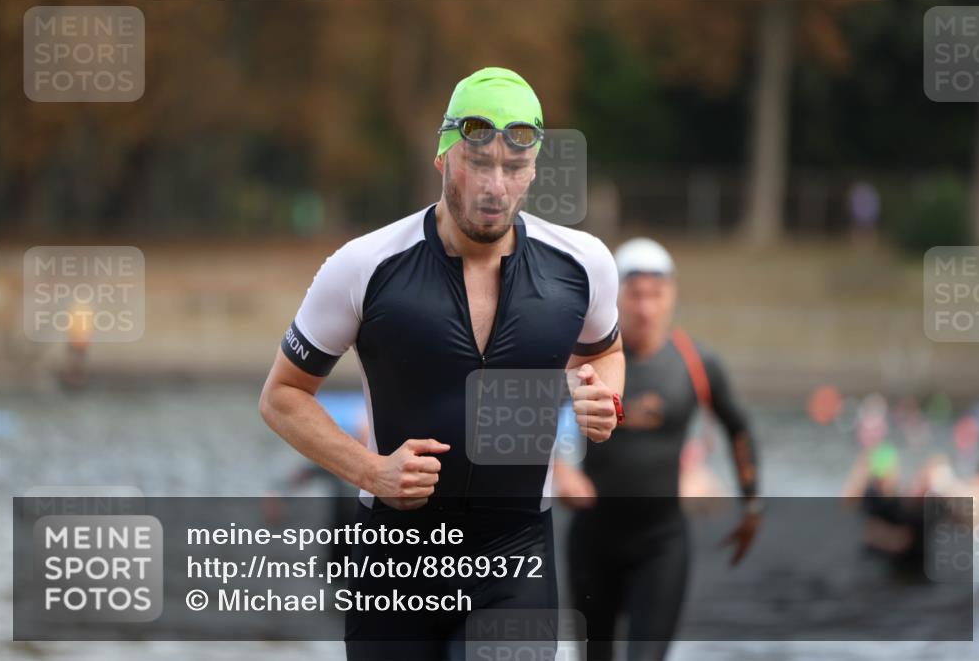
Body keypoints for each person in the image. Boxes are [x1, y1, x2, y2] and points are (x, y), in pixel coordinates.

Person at [259, 67, 626, 660]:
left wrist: (605, 400)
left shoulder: (582, 265)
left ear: (533, 171)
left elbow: (605, 352)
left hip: (514, 558)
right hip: (393, 560)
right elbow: (282, 396)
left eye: (512, 168)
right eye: (478, 163)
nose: (495, 186)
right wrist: (370, 471)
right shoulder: (365, 266)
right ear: (442, 159)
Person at [553, 237, 761, 661]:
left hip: (662, 544)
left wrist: (752, 505)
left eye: (656, 294)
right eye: (635, 294)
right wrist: (558, 471)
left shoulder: (696, 363)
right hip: (593, 541)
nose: (645, 308)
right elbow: (520, 420)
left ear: (672, 296)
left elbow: (738, 428)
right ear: (614, 297)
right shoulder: (581, 362)